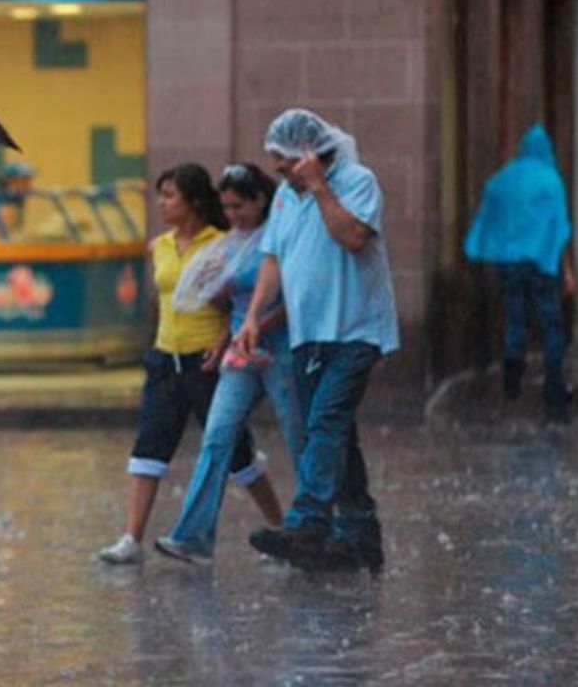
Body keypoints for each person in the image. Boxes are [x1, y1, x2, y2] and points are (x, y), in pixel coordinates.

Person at [233, 109, 400, 572]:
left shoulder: (357, 181)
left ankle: (308, 522)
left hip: (355, 329)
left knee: (325, 422)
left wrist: (321, 187)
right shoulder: (285, 198)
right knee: (333, 431)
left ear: (309, 153)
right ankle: (359, 534)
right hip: (308, 333)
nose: (277, 169)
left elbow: (353, 238)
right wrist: (253, 317)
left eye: (284, 160)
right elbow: (272, 259)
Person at [98, 164, 281, 566]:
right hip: (165, 357)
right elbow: (161, 301)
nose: (161, 204)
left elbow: (231, 303)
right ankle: (131, 538)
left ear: (194, 201)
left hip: (206, 360)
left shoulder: (223, 244)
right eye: (160, 195)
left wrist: (223, 339)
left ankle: (279, 524)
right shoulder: (159, 246)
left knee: (237, 452)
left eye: (170, 196)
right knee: (149, 446)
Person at [155, 163, 296, 565]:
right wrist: (212, 285)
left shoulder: (279, 238)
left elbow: (294, 298)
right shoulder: (231, 244)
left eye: (240, 207)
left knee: (298, 436)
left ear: (260, 200)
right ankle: (194, 536)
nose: (233, 216)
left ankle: (312, 525)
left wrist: (257, 325)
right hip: (240, 352)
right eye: (227, 208)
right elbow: (223, 302)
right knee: (217, 436)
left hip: (279, 349)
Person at [464, 124, 576, 423]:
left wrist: (485, 246)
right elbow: (560, 228)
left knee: (515, 318)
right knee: (551, 325)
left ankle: (512, 370)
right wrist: (566, 270)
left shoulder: (503, 179)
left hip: (510, 262)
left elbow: (490, 213)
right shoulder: (551, 181)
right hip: (542, 263)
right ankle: (554, 393)